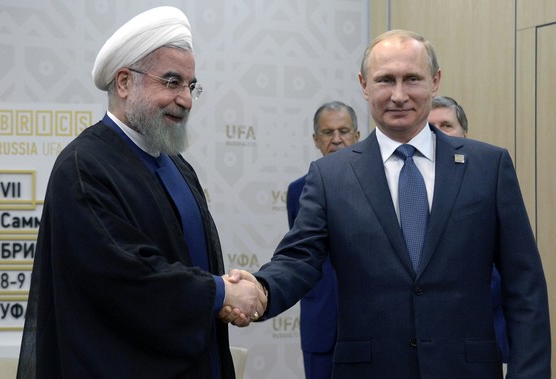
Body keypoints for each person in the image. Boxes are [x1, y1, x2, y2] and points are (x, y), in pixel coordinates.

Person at [226, 29, 551, 378]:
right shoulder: (330, 176)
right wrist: (261, 289)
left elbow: (525, 286)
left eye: (411, 78)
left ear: (435, 81)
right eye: (385, 80)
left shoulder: (488, 167)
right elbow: (298, 261)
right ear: (364, 84)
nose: (398, 95)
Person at [16, 6, 266, 379]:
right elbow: (125, 275)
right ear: (123, 83)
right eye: (171, 82)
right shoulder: (84, 166)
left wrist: (223, 297)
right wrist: (219, 295)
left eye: (190, 85)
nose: (186, 99)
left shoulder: (178, 166)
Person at [428, 95, 509, 363]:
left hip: (481, 337)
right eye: (431, 127)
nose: (439, 133)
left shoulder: (488, 173)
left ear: (465, 132)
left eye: (447, 125)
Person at [286, 101, 360, 379]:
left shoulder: (379, 185)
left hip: (369, 324)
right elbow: (301, 255)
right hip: (320, 318)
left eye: (344, 130)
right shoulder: (298, 191)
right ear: (316, 140)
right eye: (328, 133)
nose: (337, 139)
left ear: (357, 135)